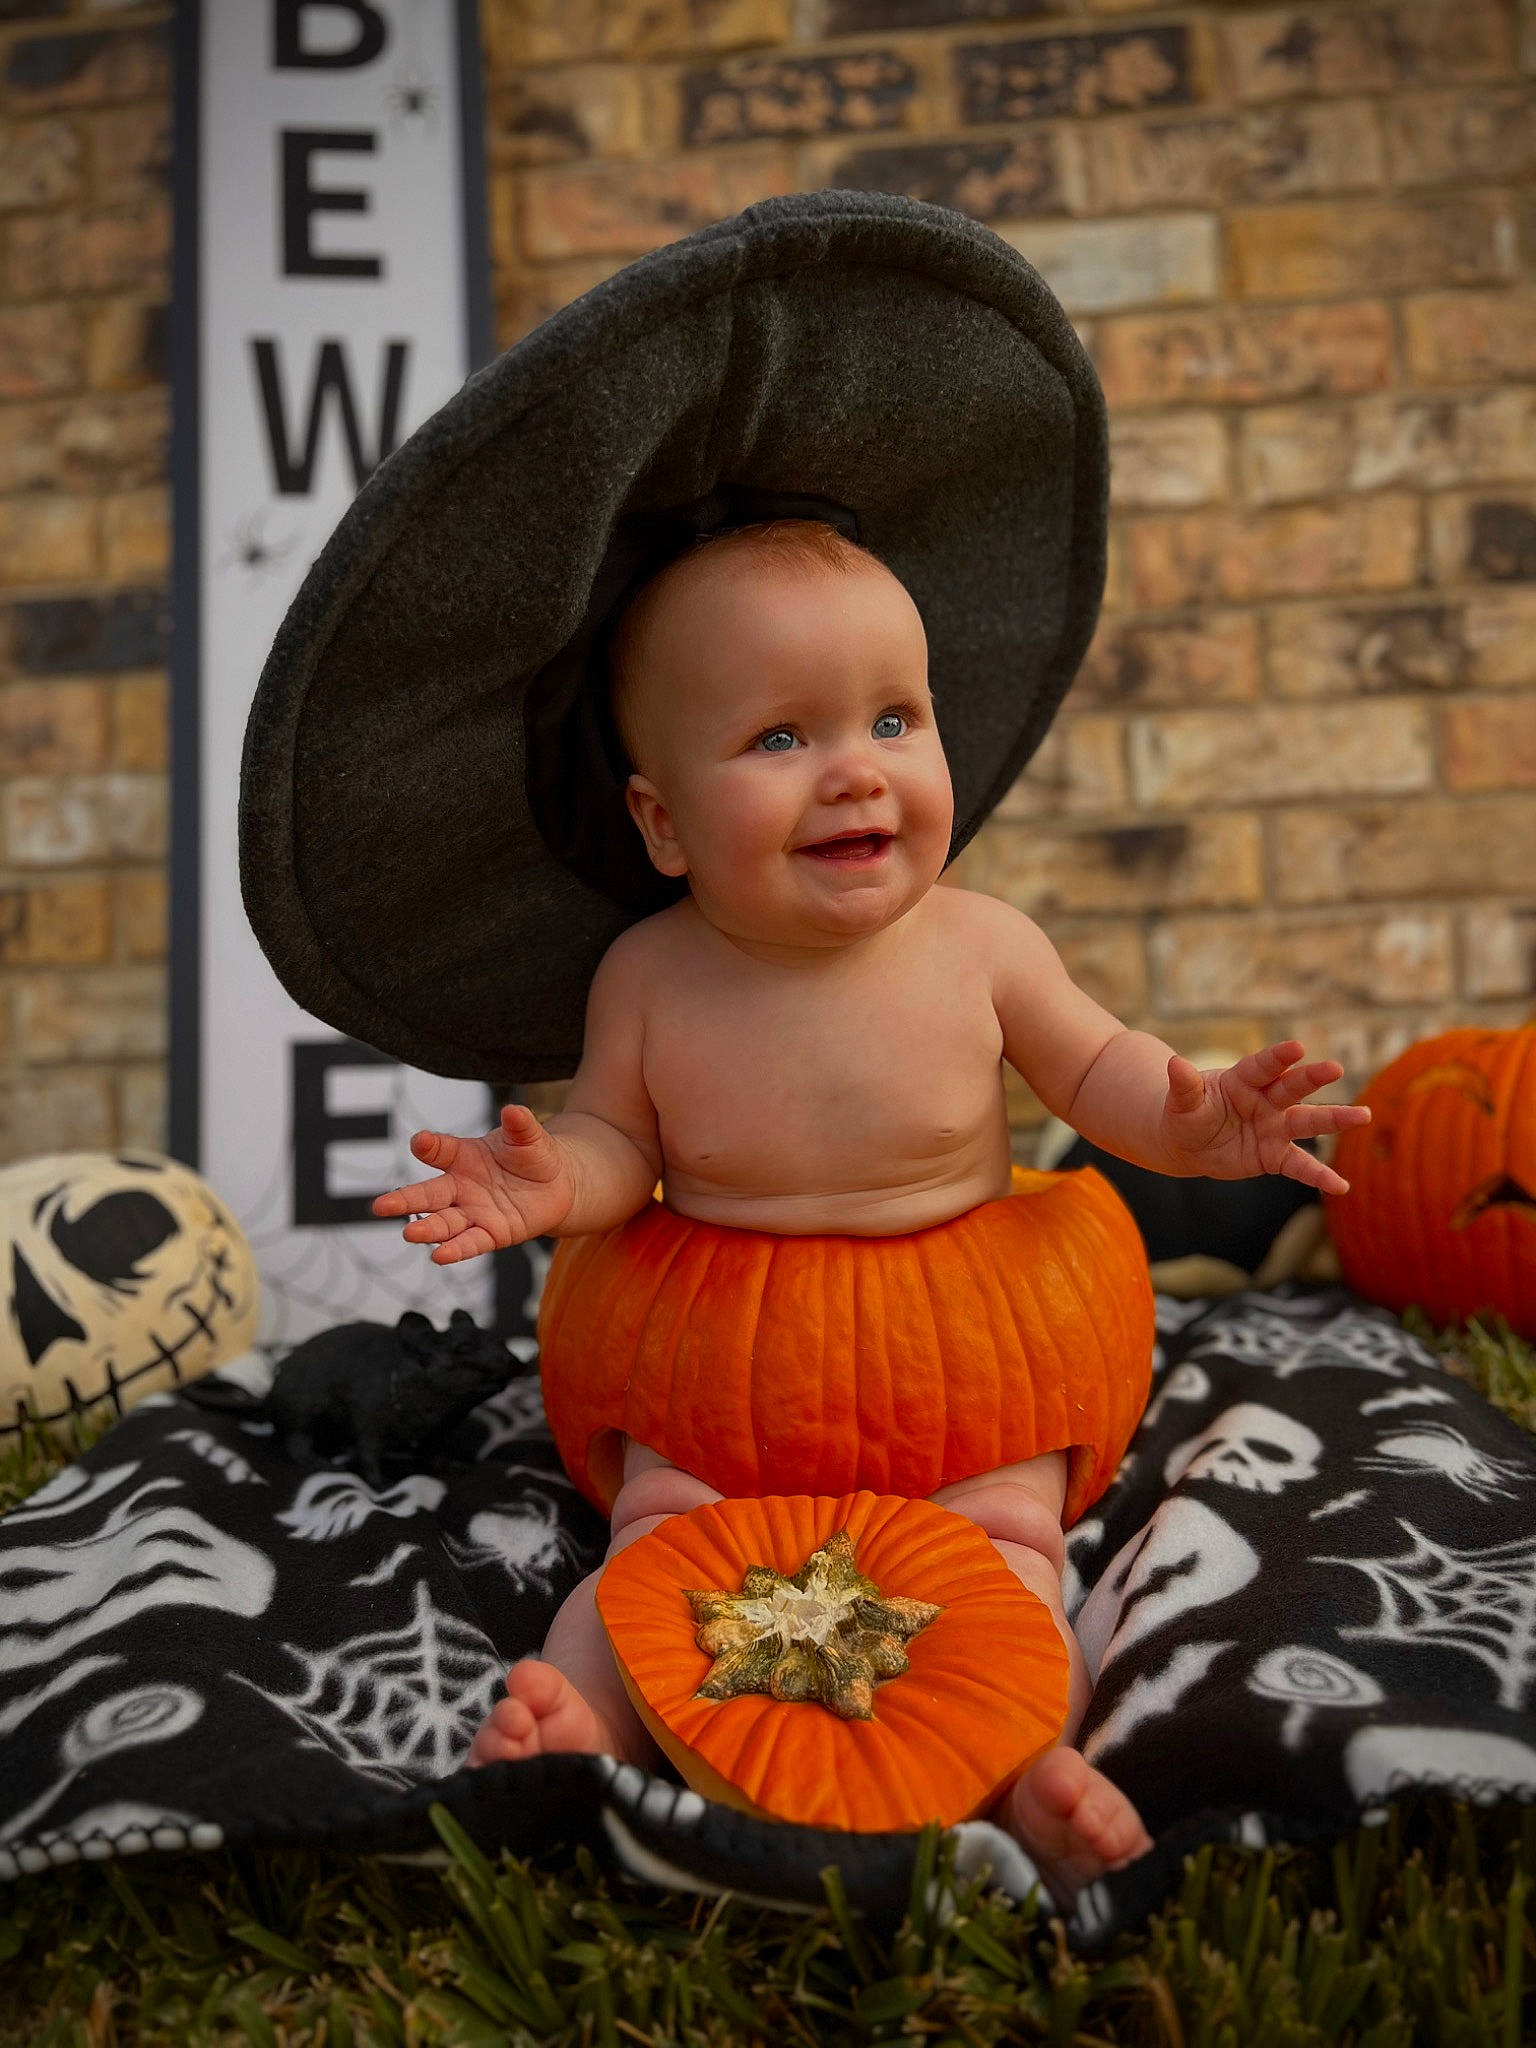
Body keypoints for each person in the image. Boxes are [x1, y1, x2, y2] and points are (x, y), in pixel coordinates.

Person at [374, 516, 1372, 1907]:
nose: (855, 770)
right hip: (720, 1353)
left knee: (1011, 1563)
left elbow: (1099, 1068)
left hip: (972, 1351)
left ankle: (1026, 1763)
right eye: (780, 739)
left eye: (894, 719)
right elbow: (613, 1138)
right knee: (656, 1539)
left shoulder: (983, 946)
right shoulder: (651, 979)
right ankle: (590, 1721)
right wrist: (557, 1181)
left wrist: (1197, 1118)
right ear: (662, 823)